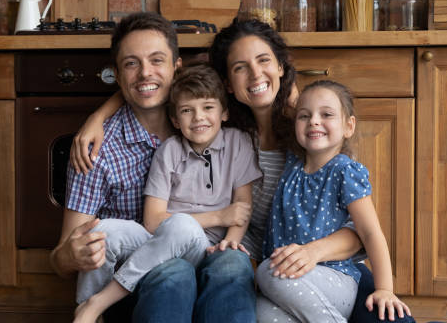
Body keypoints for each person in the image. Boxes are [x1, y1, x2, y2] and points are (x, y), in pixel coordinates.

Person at [69, 18, 408, 323]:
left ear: (280, 67)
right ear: (227, 83)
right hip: (263, 271)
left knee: (393, 319)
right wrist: (99, 116)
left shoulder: (306, 126)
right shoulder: (218, 129)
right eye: (240, 68)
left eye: (264, 61)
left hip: (323, 266)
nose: (256, 75)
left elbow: (359, 229)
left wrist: (311, 253)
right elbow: (156, 85)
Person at [51, 12, 258, 323]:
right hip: (138, 281)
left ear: (177, 66)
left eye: (157, 60)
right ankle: (91, 312)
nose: (145, 73)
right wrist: (71, 255)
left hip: (208, 253)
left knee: (226, 265)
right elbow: (61, 258)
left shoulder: (202, 119)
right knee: (167, 269)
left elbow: (269, 92)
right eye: (131, 64)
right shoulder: (96, 150)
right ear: (118, 76)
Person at [255, 80, 411, 322]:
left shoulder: (344, 171)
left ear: (349, 126)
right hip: (291, 281)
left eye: (326, 114)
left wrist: (385, 289)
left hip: (333, 277)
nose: (314, 121)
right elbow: (286, 109)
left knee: (268, 270)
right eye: (304, 116)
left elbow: (370, 233)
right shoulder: (291, 165)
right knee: (261, 314)